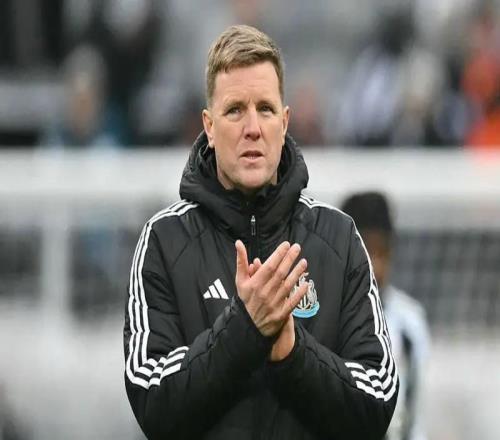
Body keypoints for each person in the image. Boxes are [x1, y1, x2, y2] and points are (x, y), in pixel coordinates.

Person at [124, 25, 398, 439]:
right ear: (209, 126)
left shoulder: (338, 239)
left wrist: (292, 351)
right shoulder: (164, 241)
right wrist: (245, 328)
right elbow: (154, 405)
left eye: (265, 109)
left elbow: (376, 405)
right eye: (235, 110)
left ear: (284, 123)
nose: (252, 127)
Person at [341, 192, 430, 440]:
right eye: (367, 252)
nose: (376, 266)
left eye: (382, 253)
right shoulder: (324, 315)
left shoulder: (410, 322)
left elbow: (414, 414)